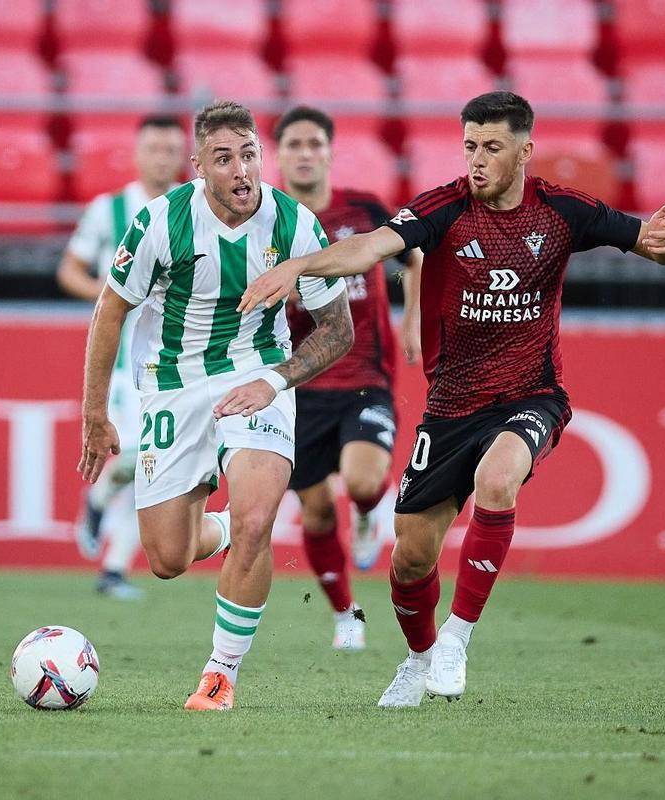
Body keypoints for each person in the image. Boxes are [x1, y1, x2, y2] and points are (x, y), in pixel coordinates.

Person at [238, 91, 665, 707]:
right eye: (470, 145)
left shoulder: (562, 210)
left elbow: (650, 241)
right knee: (409, 565)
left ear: (525, 151)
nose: (477, 159)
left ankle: (456, 637)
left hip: (532, 394)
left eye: (492, 147)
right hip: (449, 407)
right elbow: (370, 247)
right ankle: (419, 659)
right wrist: (302, 267)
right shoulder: (443, 208)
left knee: (498, 480)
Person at [78, 101, 354, 711]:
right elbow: (110, 311)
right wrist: (95, 414)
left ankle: (219, 675)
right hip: (171, 388)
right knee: (168, 559)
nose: (240, 170)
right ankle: (225, 527)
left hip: (256, 379)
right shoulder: (159, 221)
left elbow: (338, 332)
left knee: (259, 522)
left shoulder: (296, 226)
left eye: (249, 155)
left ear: (262, 156)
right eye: (223, 159)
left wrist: (277, 380)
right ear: (199, 166)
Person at [272, 106, 423, 651]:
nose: (305, 152)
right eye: (294, 144)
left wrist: (413, 317)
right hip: (298, 387)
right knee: (313, 511)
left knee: (363, 482)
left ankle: (364, 515)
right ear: (280, 154)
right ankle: (345, 615)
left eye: (315, 142)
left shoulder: (363, 209)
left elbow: (415, 254)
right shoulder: (268, 220)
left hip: (365, 378)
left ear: (330, 152)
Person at [57, 116, 187, 600]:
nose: (162, 157)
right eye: (154, 148)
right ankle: (97, 497)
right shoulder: (109, 210)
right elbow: (69, 269)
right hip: (126, 361)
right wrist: (109, 296)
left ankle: (112, 568)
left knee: (158, 466)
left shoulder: (194, 206)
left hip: (180, 355)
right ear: (137, 153)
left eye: (171, 149)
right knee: (137, 456)